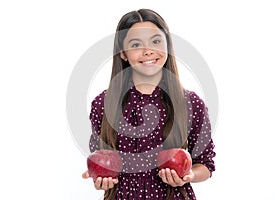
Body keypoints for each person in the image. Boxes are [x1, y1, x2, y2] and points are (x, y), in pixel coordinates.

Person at [82, 9, 216, 200]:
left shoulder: (191, 104)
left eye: (156, 41)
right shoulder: (103, 104)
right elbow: (100, 160)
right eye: (136, 44)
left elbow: (206, 164)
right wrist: (101, 178)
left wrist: (189, 175)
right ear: (123, 53)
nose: (148, 51)